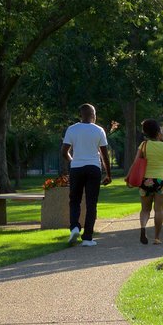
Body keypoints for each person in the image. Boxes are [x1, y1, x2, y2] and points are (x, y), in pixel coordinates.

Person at [61, 104, 112, 246]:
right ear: (93, 115)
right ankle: (87, 237)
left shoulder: (72, 129)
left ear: (81, 115)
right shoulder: (99, 130)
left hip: (76, 168)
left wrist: (73, 161)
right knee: (91, 203)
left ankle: (75, 228)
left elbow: (64, 152)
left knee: (75, 200)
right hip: (93, 169)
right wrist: (108, 174)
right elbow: (104, 155)